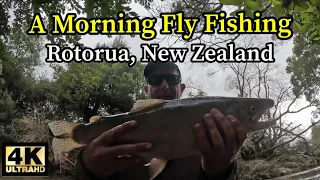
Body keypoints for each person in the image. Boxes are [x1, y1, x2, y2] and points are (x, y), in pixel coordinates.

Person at [74, 61, 248, 180]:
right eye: (156, 80)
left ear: (181, 88)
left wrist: (220, 172)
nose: (165, 85)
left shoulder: (212, 139)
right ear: (146, 90)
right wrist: (87, 166)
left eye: (172, 79)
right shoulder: (118, 131)